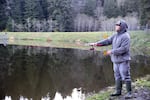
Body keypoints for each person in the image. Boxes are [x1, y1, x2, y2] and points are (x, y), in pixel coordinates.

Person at [89, 20, 132, 98]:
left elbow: (124, 49)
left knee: (126, 76)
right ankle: (118, 91)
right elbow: (107, 41)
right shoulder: (115, 35)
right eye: (116, 25)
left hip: (123, 60)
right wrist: (96, 44)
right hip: (115, 60)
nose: (116, 26)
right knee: (117, 76)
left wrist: (111, 51)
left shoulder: (126, 36)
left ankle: (129, 93)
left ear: (122, 27)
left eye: (117, 25)